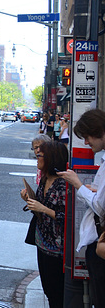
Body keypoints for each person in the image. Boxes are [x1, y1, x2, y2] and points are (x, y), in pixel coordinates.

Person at [58, 108, 105, 307]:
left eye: (87, 137)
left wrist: (78, 184)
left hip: (99, 243)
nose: (86, 142)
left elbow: (101, 207)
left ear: (99, 131)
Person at [20, 141, 68, 308]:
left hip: (58, 250)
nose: (37, 159)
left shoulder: (63, 184)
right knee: (48, 288)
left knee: (57, 292)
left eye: (39, 156)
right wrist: (30, 201)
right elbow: (40, 210)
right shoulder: (45, 178)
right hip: (42, 244)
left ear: (51, 158)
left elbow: (67, 217)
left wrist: (44, 208)